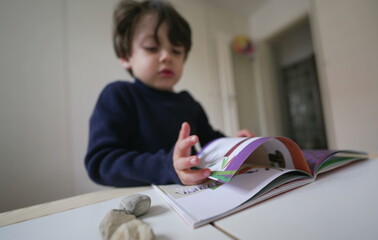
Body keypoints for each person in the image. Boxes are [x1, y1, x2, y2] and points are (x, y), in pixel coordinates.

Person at [85, 0, 254, 187]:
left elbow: (210, 142)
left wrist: (234, 146)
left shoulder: (189, 103)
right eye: (151, 47)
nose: (167, 56)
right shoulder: (118, 95)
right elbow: (100, 162)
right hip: (142, 201)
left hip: (194, 198)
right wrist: (167, 166)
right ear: (126, 56)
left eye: (176, 50)